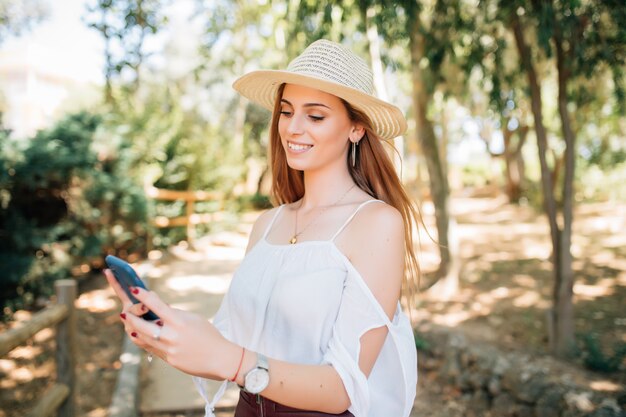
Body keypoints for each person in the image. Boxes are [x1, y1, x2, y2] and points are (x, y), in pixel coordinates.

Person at [105, 39, 419, 417]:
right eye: (286, 112)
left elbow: (341, 389)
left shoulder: (376, 222)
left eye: (315, 116)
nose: (293, 128)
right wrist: (168, 330)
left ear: (356, 128)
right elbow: (234, 346)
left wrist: (234, 362)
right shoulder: (267, 224)